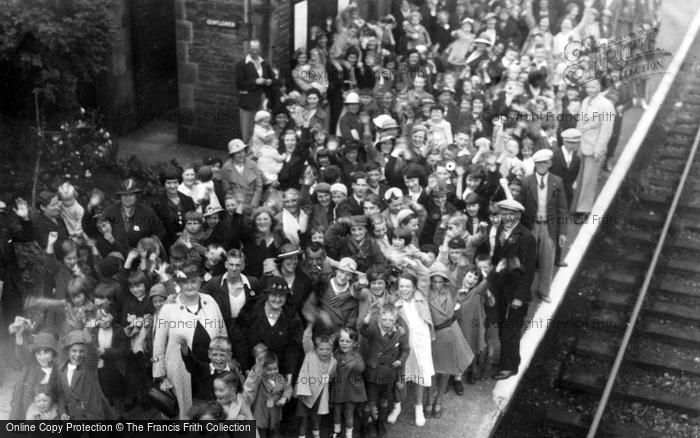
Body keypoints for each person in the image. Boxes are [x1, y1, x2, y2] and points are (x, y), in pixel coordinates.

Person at [152, 263, 228, 419]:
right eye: (185, 282)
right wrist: (160, 374)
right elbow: (158, 342)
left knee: (211, 409)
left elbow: (222, 330)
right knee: (184, 411)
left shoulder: (210, 301)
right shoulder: (168, 308)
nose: (189, 286)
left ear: (200, 282)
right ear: (179, 284)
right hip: (180, 368)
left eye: (193, 281)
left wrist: (227, 359)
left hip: (210, 367)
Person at [489, 199, 536, 380]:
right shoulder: (502, 231)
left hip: (515, 294)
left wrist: (519, 297)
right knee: (503, 328)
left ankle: (510, 366)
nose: (506, 217)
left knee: (511, 330)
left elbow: (529, 271)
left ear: (518, 215)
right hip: (502, 290)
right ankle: (506, 360)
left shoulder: (526, 238)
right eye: (503, 213)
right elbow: (497, 258)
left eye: (510, 214)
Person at [521, 149, 568, 302]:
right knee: (528, 259)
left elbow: (562, 208)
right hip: (531, 226)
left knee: (548, 259)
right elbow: (520, 207)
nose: (542, 165)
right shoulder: (526, 181)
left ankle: (544, 291)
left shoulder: (557, 181)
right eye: (538, 163)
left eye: (545, 163)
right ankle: (524, 290)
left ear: (550, 163)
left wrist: (562, 232)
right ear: (534, 164)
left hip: (549, 227)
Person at [426, 262, 473, 411]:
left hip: (452, 333)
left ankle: (439, 401)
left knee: (447, 370)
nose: (437, 284)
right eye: (434, 281)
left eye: (440, 281)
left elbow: (458, 275)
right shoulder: (425, 293)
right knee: (433, 371)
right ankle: (429, 401)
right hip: (435, 336)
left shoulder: (450, 290)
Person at [393, 272, 433, 427]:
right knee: (401, 374)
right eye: (401, 286)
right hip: (405, 344)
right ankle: (397, 406)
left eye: (408, 286)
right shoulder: (395, 303)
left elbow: (424, 274)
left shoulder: (421, 296)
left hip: (422, 341)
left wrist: (411, 258)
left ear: (414, 287)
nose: (404, 289)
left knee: (420, 374)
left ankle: (418, 407)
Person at [572, 78, 616, 216]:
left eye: (593, 87)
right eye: (588, 87)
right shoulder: (585, 101)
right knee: (579, 177)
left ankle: (584, 209)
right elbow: (580, 122)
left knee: (589, 180)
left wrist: (599, 149)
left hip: (594, 147)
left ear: (599, 88)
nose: (590, 90)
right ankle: (575, 206)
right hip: (582, 145)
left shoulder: (607, 106)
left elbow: (606, 130)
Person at [55, 330, 115, 420]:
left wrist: (89, 341)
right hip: (74, 415)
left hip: (93, 415)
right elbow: (62, 393)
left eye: (81, 351)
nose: (78, 354)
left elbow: (93, 355)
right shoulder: (62, 369)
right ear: (68, 352)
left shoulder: (88, 367)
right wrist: (62, 411)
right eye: (74, 351)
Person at [294, 333, 337, 438]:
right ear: (315, 348)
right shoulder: (310, 354)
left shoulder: (333, 361)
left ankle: (316, 435)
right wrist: (310, 324)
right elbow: (306, 339)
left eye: (328, 349)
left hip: (320, 395)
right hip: (306, 393)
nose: (325, 352)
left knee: (316, 418)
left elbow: (332, 376)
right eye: (321, 349)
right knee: (303, 419)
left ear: (332, 349)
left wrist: (329, 378)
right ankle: (301, 436)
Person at [10, 331, 59, 420]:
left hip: (48, 407)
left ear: (53, 353)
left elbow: (58, 392)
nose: (42, 357)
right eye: (38, 353)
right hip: (31, 406)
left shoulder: (56, 369)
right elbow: (22, 354)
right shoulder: (32, 364)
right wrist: (19, 336)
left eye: (46, 353)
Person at [243, 351, 293, 438]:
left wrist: (284, 398)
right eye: (269, 370)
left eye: (275, 369)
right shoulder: (260, 378)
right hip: (261, 413)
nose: (273, 372)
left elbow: (288, 388)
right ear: (263, 368)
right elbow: (251, 383)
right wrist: (256, 368)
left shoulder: (280, 377)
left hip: (275, 413)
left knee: (274, 433)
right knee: (261, 434)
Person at [236, 40, 276, 143]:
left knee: (262, 130)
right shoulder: (242, 64)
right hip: (248, 102)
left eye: (257, 49)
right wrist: (255, 81)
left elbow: (273, 78)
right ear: (248, 49)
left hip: (262, 101)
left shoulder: (265, 63)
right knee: (248, 132)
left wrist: (269, 81)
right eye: (253, 49)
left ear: (260, 49)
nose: (255, 51)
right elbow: (239, 84)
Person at [330, 326, 366, 438]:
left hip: (351, 389)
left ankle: (349, 434)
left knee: (349, 412)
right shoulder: (335, 354)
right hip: (338, 388)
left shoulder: (356, 356)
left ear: (354, 344)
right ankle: (337, 430)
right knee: (336, 411)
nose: (344, 343)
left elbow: (361, 368)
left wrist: (352, 365)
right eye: (341, 340)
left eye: (348, 341)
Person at [221, 138, 264, 208]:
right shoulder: (226, 168)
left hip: (252, 204)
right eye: (238, 153)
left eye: (243, 151)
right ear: (232, 154)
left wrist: (253, 204)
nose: (241, 155)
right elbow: (227, 189)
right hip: (236, 205)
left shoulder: (253, 165)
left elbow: (259, 187)